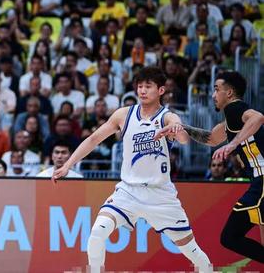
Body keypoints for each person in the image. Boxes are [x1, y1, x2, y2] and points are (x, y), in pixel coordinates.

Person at [51, 67, 212, 273]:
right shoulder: (124, 114)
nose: (142, 90)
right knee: (97, 233)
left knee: (191, 250)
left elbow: (183, 139)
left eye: (148, 86)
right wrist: (67, 165)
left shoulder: (167, 117)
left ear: (161, 90)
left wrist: (177, 129)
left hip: (160, 195)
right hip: (128, 192)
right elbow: (93, 139)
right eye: (140, 86)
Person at [156, 71, 264, 263]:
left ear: (229, 93)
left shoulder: (236, 108)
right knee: (235, 237)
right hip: (258, 182)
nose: (213, 95)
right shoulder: (231, 119)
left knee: (230, 237)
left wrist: (232, 144)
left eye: (216, 89)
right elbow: (212, 138)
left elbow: (258, 117)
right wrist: (182, 128)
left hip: (261, 182)